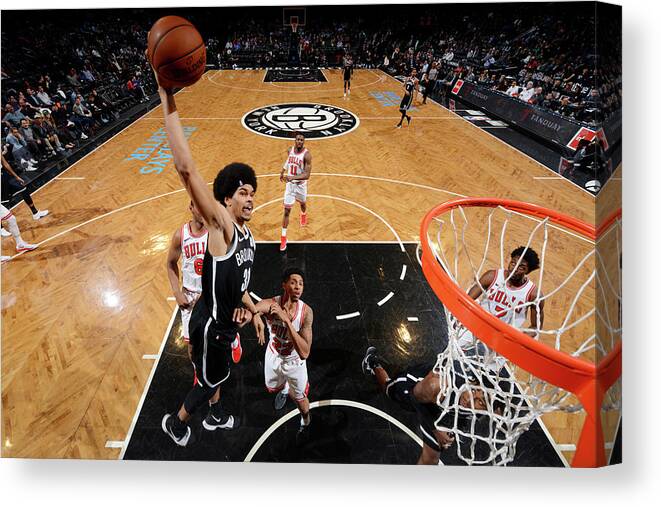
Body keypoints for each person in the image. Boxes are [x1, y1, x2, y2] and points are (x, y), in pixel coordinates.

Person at [151, 61, 265, 447]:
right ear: (227, 199)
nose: (250, 198)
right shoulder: (222, 226)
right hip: (212, 326)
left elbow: (240, 286)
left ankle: (201, 413)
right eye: (243, 192)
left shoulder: (248, 236)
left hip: (219, 317)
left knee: (215, 376)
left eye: (253, 192)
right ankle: (178, 424)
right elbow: (186, 168)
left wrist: (253, 309)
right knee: (211, 380)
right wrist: (168, 98)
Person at [361, 347, 501, 465]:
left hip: (441, 408)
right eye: (474, 391)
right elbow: (415, 397)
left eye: (480, 402)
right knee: (389, 390)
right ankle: (373, 364)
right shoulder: (440, 386)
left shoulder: (491, 406)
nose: (470, 399)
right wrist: (435, 430)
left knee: (431, 459)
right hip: (414, 386)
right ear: (472, 382)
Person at [166, 201, 243, 365]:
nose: (201, 210)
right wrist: (176, 292)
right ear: (191, 208)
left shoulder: (216, 234)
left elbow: (229, 265)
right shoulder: (180, 235)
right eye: (197, 206)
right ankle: (198, 372)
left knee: (221, 332)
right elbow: (171, 263)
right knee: (192, 344)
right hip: (190, 296)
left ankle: (234, 337)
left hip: (213, 293)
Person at [254, 267, 313, 441]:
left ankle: (306, 421)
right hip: (274, 356)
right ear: (284, 285)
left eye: (301, 284)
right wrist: (252, 315)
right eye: (293, 282)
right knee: (273, 387)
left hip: (294, 361)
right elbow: (255, 309)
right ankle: (285, 388)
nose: (298, 287)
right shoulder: (272, 304)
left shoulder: (306, 313)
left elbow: (305, 353)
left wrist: (286, 321)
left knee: (301, 400)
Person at [279, 132, 312, 252]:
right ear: (295, 140)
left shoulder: (307, 155)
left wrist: (292, 177)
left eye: (302, 140)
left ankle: (303, 214)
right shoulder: (290, 150)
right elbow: (288, 161)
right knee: (286, 211)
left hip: (301, 186)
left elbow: (307, 175)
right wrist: (283, 170)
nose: (299, 141)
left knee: (303, 203)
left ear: (304, 142)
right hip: (290, 186)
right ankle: (283, 237)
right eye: (298, 139)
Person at [1, 154, 49, 225]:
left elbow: (5, 163)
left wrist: (16, 177)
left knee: (23, 189)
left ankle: (35, 213)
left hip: (4, 175)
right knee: (3, 203)